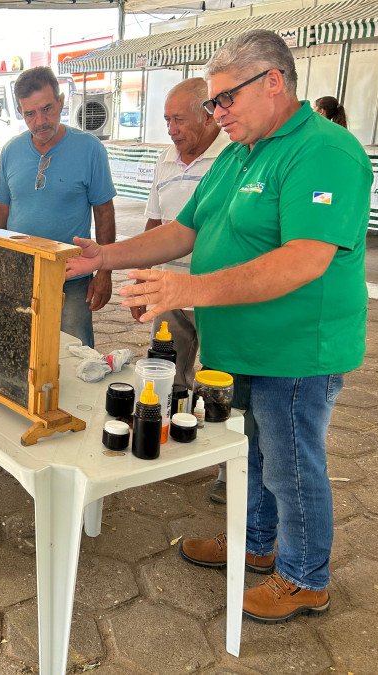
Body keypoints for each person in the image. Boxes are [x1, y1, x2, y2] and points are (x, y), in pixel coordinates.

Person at [66, 30, 371, 624]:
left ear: (274, 82)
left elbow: (306, 258)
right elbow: (186, 231)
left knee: (291, 462)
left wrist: (189, 289)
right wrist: (108, 255)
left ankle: (306, 577)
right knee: (252, 451)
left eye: (224, 99)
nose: (217, 114)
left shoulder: (323, 151)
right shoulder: (238, 151)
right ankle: (256, 545)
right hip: (241, 344)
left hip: (297, 349)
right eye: (213, 103)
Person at [139, 77, 231, 505]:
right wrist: (142, 278)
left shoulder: (231, 157)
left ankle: (227, 471)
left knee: (219, 379)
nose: (172, 129)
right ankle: (170, 442)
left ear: (208, 114)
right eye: (166, 120)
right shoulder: (165, 159)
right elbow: (155, 224)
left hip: (215, 291)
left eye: (179, 119)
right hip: (167, 288)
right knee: (168, 371)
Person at [0, 66, 116, 347]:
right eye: (30, 114)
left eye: (47, 109)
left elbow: (104, 211)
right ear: (21, 113)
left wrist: (105, 271)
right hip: (17, 276)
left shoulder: (89, 148)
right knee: (16, 352)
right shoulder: (11, 151)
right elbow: (1, 211)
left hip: (71, 279)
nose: (40, 121)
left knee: (76, 356)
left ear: (60, 102)